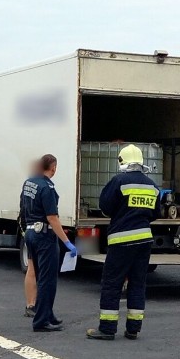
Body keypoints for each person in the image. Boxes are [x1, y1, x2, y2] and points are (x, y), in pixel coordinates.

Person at [87, 144, 161, 341]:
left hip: (122, 240)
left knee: (112, 283)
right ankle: (133, 329)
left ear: (122, 161)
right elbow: (155, 213)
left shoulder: (119, 181)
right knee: (138, 283)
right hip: (144, 240)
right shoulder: (152, 185)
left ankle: (107, 328)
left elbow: (105, 206)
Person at [20, 154, 77, 332]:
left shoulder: (29, 182)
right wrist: (67, 242)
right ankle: (42, 320)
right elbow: (52, 217)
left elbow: (22, 208)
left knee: (38, 274)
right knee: (47, 279)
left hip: (30, 232)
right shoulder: (47, 187)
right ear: (53, 168)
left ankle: (48, 313)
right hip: (44, 236)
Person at [22, 159, 42, 317]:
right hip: (40, 231)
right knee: (38, 270)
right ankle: (37, 305)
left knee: (31, 268)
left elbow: (22, 207)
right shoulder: (43, 186)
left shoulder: (27, 184)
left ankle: (30, 304)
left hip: (29, 229)